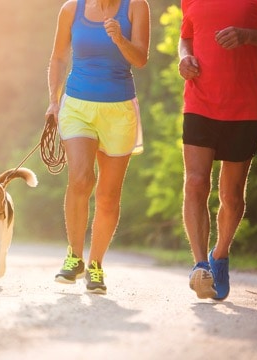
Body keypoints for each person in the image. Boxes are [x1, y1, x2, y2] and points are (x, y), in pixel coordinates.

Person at [178, 0, 257, 300]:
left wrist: (247, 35)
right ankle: (200, 266)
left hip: (244, 107)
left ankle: (220, 254)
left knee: (231, 195)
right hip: (199, 100)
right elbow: (186, 36)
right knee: (195, 182)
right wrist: (185, 58)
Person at [45, 0, 150, 294]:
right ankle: (74, 257)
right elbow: (58, 58)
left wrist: (119, 38)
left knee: (108, 195)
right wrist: (54, 100)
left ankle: (95, 265)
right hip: (77, 105)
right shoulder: (71, 9)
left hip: (119, 110)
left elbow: (140, 59)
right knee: (80, 178)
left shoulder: (135, 7)